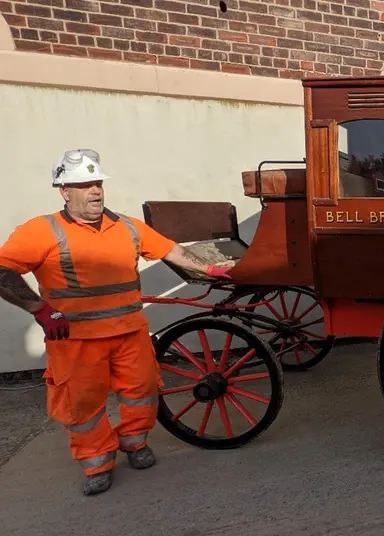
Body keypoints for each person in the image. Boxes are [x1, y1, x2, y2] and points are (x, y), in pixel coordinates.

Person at [0, 149, 234, 496]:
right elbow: (4, 270)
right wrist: (39, 309)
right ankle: (96, 462)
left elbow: (172, 251)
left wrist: (213, 269)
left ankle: (135, 443)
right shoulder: (42, 231)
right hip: (76, 340)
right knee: (83, 406)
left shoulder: (126, 227)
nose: (95, 191)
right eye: (84, 184)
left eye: (97, 183)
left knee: (142, 392)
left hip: (130, 333)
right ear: (64, 191)